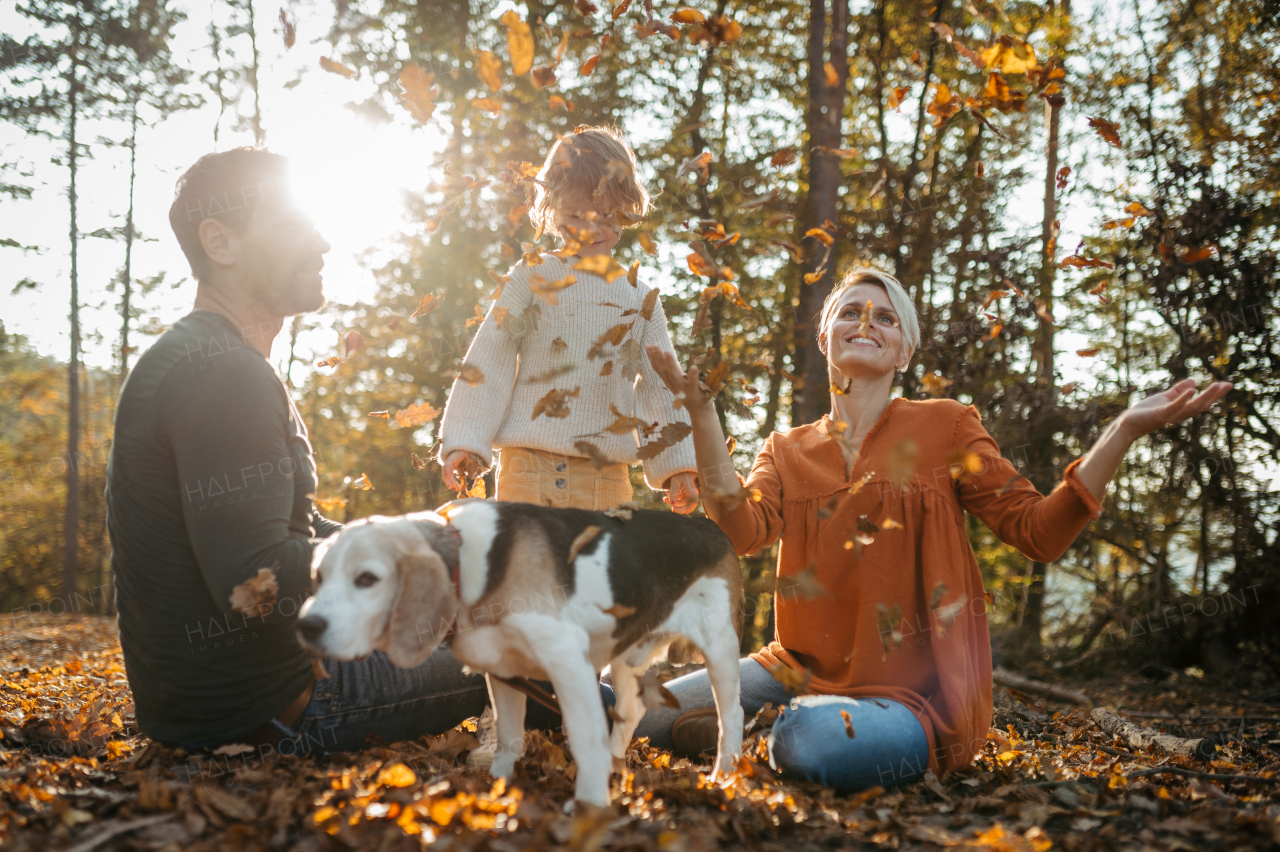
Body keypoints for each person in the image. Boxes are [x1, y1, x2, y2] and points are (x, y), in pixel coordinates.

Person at [640, 266, 1231, 791]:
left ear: (903, 351)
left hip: (913, 700)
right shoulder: (787, 448)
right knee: (631, 709)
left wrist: (1121, 430)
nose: (865, 322)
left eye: (886, 318)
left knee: (809, 739)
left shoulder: (947, 426)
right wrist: (702, 414)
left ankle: (747, 736)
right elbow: (741, 529)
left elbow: (1039, 533)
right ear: (826, 338)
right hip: (790, 671)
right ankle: (730, 730)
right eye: (850, 311)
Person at [106, 148, 565, 757]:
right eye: (294, 226)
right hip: (283, 709)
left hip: (226, 708)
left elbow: (301, 532)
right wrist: (430, 566)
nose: (321, 242)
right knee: (552, 653)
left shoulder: (211, 362)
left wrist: (429, 540)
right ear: (220, 241)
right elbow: (255, 579)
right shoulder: (222, 376)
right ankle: (724, 699)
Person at [437, 126, 698, 514]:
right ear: (552, 208)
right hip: (526, 468)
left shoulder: (639, 298)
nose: (591, 229)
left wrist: (679, 467)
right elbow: (491, 356)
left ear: (627, 209)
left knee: (598, 574)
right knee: (526, 570)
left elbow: (661, 387)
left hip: (605, 477)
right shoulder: (532, 275)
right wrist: (466, 441)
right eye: (576, 214)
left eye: (605, 215)